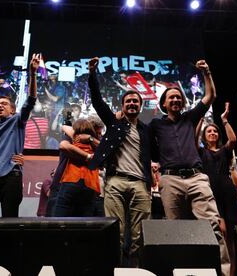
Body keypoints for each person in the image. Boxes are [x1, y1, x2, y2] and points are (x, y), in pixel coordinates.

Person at [149, 60, 230, 276]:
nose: (175, 99)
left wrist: (207, 72)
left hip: (196, 178)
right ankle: (181, 272)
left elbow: (210, 96)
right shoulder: (156, 125)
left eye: (178, 97)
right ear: (163, 104)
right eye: (171, 97)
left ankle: (220, 272)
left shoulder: (190, 118)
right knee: (176, 230)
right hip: (170, 180)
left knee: (212, 226)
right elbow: (148, 149)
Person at [88, 57, 152, 267]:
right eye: (128, 102)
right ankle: (114, 270)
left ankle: (134, 270)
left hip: (141, 185)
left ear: (140, 106)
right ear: (122, 106)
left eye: (136, 101)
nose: (132, 104)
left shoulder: (146, 131)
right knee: (116, 231)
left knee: (138, 236)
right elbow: (97, 101)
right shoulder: (114, 124)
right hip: (115, 182)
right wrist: (92, 74)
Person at [0, 53, 39, 218]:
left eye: (4, 104)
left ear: (12, 109)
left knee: (9, 219)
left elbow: (31, 99)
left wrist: (33, 74)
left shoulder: (17, 120)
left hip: (11, 175)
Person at [198, 103, 237, 276]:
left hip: (226, 193)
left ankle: (231, 273)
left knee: (230, 238)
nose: (212, 133)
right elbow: (194, 141)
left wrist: (224, 121)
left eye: (215, 131)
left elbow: (233, 140)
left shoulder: (225, 151)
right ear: (204, 135)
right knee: (216, 234)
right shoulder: (201, 152)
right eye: (209, 131)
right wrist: (200, 120)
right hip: (209, 193)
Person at [54, 119, 100, 216]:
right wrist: (88, 156)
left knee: (59, 220)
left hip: (71, 180)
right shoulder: (96, 146)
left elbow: (63, 145)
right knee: (84, 224)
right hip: (90, 184)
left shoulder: (74, 143)